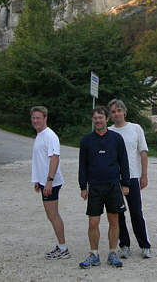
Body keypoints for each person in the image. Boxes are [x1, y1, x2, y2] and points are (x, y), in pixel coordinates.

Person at [78, 106, 130, 269]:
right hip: (94, 187)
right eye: (95, 118)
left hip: (113, 185)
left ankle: (112, 252)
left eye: (101, 117)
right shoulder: (86, 140)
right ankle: (94, 254)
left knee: (114, 220)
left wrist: (125, 183)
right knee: (93, 222)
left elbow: (124, 162)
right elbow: (82, 166)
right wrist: (83, 186)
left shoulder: (116, 139)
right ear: (92, 120)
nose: (98, 121)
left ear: (107, 119)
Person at [108, 99, 152, 259]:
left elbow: (143, 152)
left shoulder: (135, 128)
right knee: (118, 214)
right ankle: (124, 244)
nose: (117, 114)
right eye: (113, 111)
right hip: (115, 179)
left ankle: (145, 245)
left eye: (119, 110)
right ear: (110, 115)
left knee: (136, 213)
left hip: (133, 177)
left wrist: (144, 174)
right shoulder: (109, 131)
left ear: (124, 112)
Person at [30, 106, 70, 260]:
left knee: (53, 216)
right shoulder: (40, 135)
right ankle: (61, 246)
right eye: (33, 118)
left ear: (45, 118)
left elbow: (55, 158)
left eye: (38, 118)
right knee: (51, 215)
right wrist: (37, 180)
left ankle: (63, 248)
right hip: (44, 181)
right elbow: (40, 160)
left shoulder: (50, 136)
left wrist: (49, 181)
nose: (35, 121)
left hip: (51, 182)